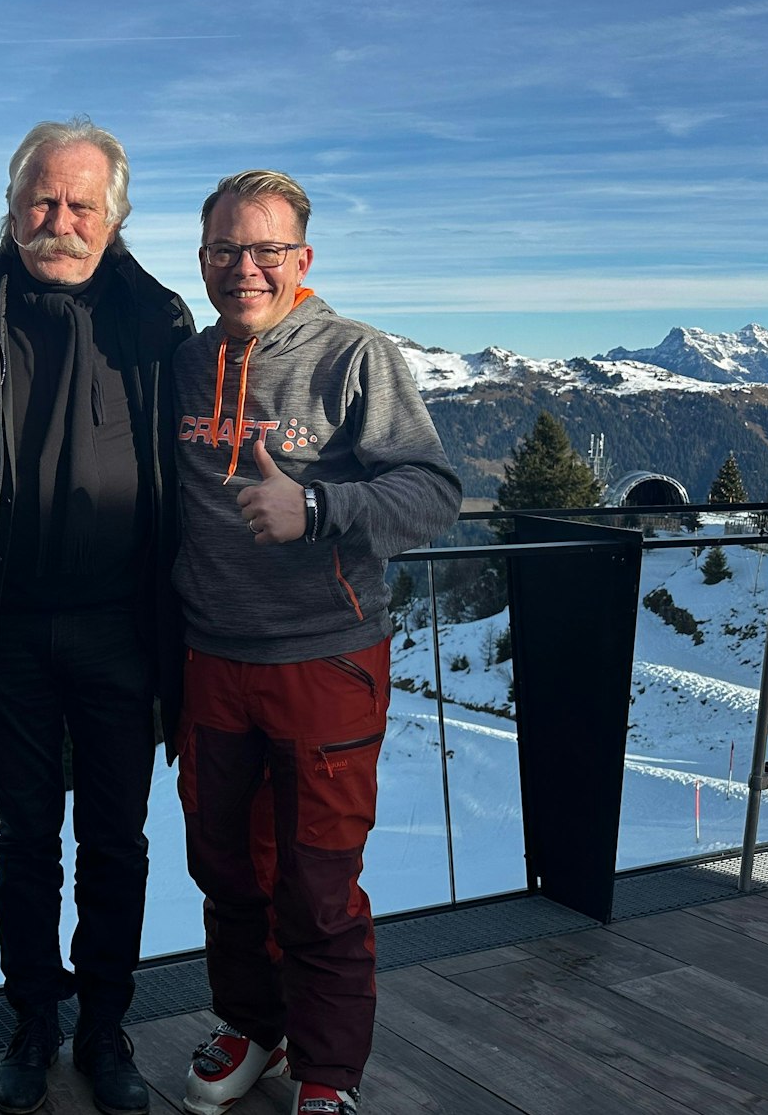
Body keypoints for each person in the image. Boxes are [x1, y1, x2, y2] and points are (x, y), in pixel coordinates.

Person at [170, 171, 461, 1115]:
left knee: (318, 880)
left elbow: (433, 493)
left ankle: (328, 1071)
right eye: (224, 250)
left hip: (325, 660)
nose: (243, 269)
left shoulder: (356, 357)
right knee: (224, 866)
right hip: (212, 659)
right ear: (203, 256)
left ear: (303, 260)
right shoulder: (185, 361)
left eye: (265, 252)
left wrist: (319, 506)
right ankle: (254, 1024)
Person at [0, 118, 190, 1115]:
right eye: (42, 200)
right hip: (9, 633)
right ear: (10, 208)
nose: (60, 219)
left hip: (124, 630)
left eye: (82, 204)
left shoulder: (160, 325)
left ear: (114, 216)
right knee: (25, 844)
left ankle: (104, 1025)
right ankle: (32, 1019)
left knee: (116, 845)